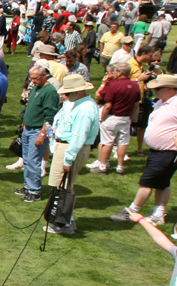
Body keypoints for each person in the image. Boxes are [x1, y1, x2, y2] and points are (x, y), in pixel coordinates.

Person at [110, 74, 177, 226]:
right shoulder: (162, 102)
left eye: (159, 88)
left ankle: (131, 212)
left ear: (172, 89)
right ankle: (158, 214)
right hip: (157, 151)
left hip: (168, 152)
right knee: (162, 183)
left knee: (146, 182)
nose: (155, 91)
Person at [43, 74, 100, 234]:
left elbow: (79, 136)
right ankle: (65, 220)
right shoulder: (81, 104)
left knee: (65, 187)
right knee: (64, 186)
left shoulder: (85, 108)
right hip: (66, 146)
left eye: (67, 93)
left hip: (70, 148)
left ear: (77, 91)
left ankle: (65, 222)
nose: (65, 96)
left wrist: (68, 159)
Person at [16, 66, 59, 202]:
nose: (33, 81)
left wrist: (42, 133)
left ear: (44, 75)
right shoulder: (36, 88)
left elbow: (50, 115)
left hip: (37, 131)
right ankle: (28, 186)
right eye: (31, 78)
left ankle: (35, 191)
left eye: (36, 78)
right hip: (28, 129)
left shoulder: (50, 91)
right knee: (27, 160)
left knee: (34, 161)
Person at [91, 62, 141, 175]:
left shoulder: (114, 85)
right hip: (125, 118)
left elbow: (108, 105)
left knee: (107, 142)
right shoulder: (134, 85)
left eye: (115, 71)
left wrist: (102, 118)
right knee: (122, 143)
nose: (113, 73)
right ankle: (120, 166)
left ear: (120, 72)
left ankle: (103, 166)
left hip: (112, 117)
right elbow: (136, 105)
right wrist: (130, 119)